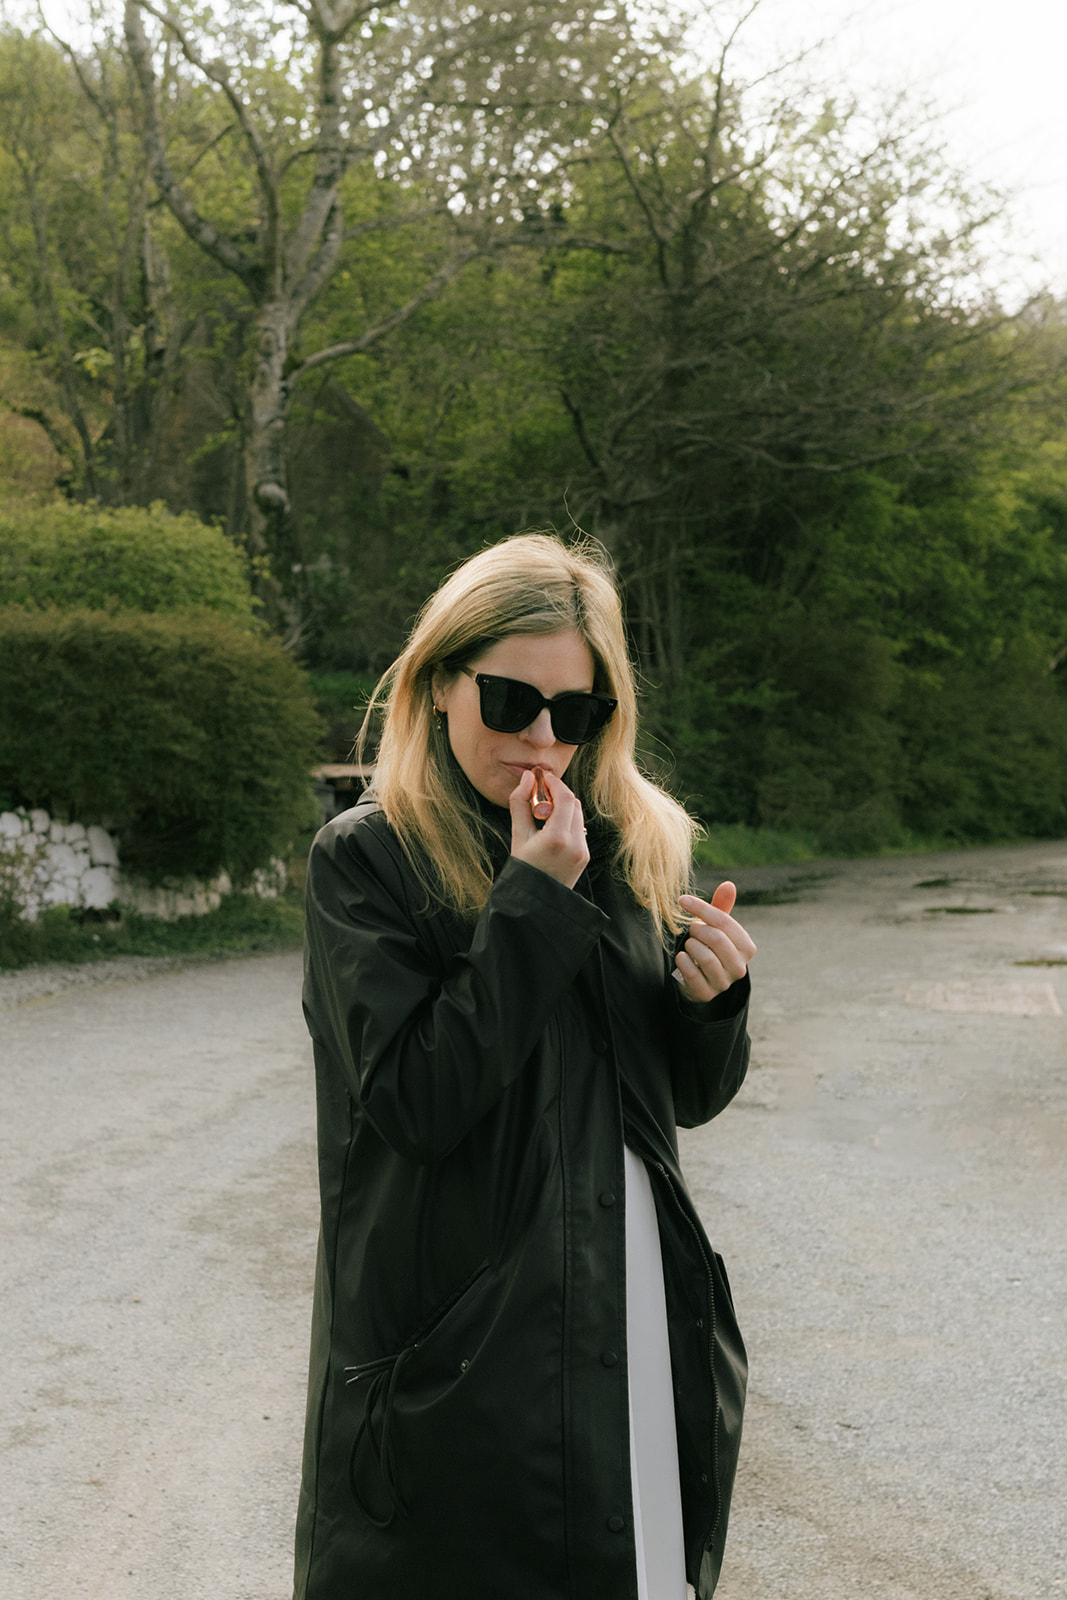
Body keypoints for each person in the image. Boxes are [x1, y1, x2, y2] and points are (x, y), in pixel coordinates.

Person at [293, 532, 757, 1600]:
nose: (542, 739)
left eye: (576, 712)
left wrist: (712, 1003)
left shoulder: (629, 843)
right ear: (438, 685)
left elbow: (678, 1101)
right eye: (510, 702)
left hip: (628, 1304)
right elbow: (417, 1100)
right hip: (461, 1345)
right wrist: (534, 901)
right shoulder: (368, 857)